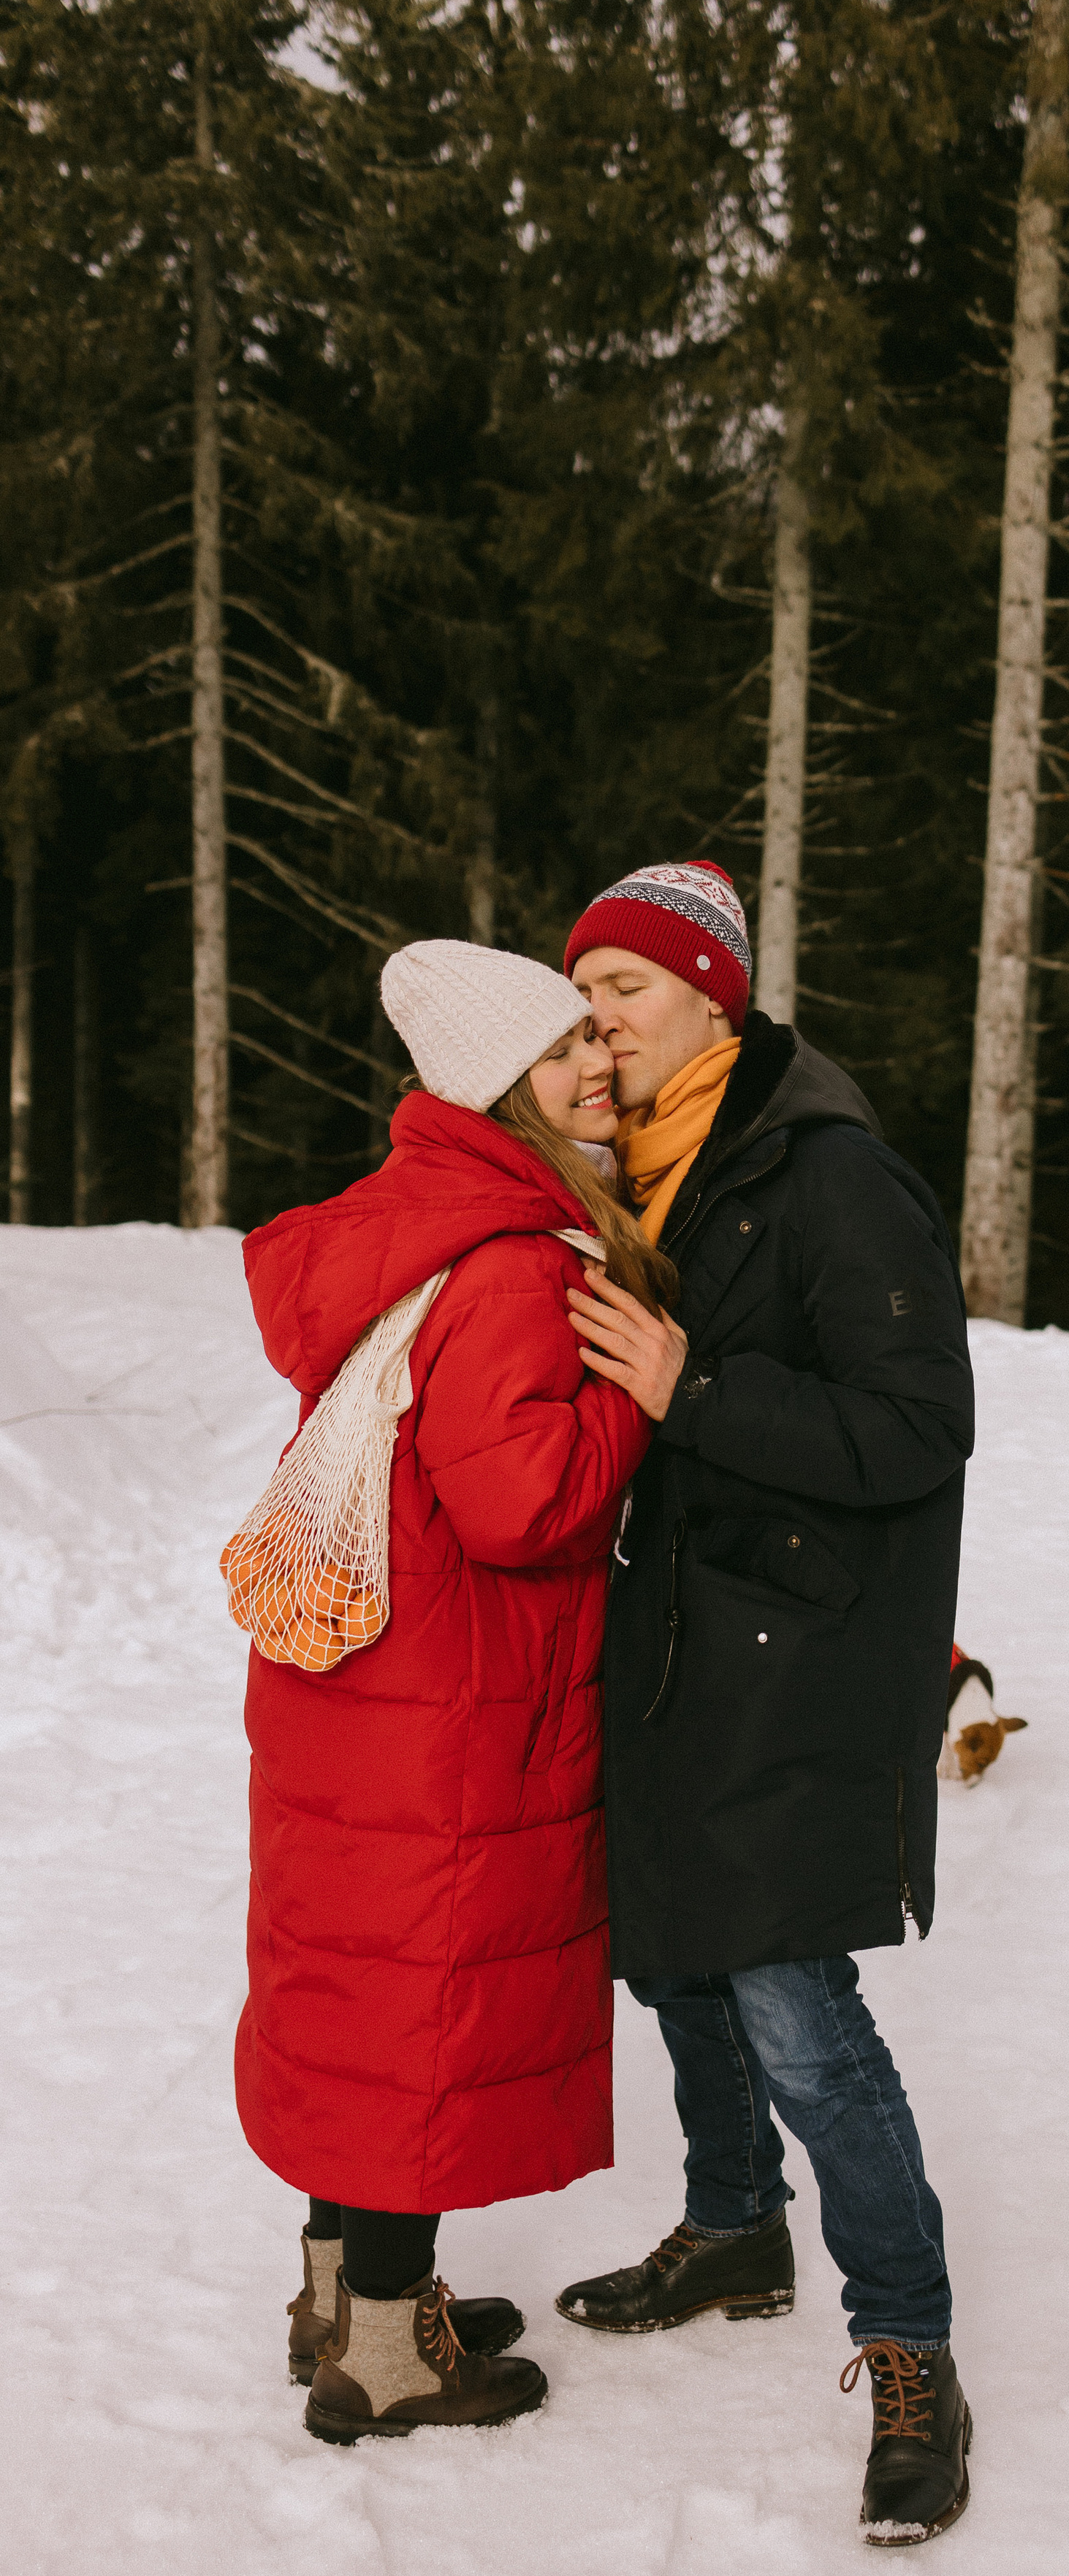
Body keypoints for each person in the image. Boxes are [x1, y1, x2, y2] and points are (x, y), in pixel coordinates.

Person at [548, 860, 978, 2548]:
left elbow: (912, 1428)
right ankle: (733, 2228)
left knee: (795, 2000)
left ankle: (913, 2348)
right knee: (672, 1949)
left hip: (800, 1651)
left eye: (626, 991)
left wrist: (689, 1386)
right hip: (673, 1634)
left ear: (711, 1001)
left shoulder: (829, 1173)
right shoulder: (648, 1173)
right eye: (579, 994)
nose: (599, 1023)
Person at [235, 939, 663, 2446]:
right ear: (500, 1094)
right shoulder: (512, 1260)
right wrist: (633, 1397)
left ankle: (337, 2292)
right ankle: (393, 2354)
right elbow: (520, 1506)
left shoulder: (404, 1225)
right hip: (454, 1703)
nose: (595, 1070)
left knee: (359, 1997)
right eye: (561, 1060)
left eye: (592, 1048)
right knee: (415, 2014)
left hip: (363, 1688)